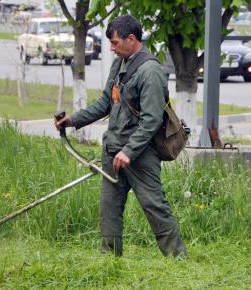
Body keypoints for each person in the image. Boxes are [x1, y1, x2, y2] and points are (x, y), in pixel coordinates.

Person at [54, 15, 187, 257]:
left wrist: (129, 151)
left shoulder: (151, 71)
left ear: (132, 39)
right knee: (109, 209)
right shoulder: (119, 65)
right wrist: (73, 120)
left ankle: (178, 259)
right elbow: (106, 102)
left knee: (154, 207)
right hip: (113, 151)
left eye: (115, 43)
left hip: (140, 155)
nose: (112, 49)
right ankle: (110, 261)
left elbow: (151, 120)